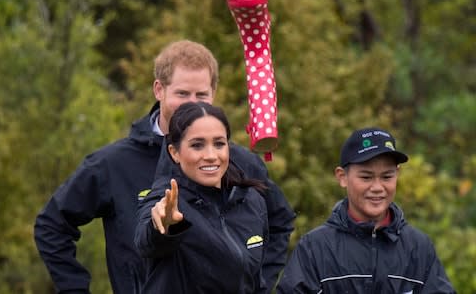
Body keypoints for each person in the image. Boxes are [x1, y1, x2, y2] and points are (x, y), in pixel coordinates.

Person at [34, 40, 295, 293]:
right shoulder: (112, 164)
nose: (192, 103)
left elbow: (280, 221)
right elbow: (52, 225)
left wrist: (258, 285)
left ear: (213, 94)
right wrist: (74, 289)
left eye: (201, 94)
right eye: (182, 93)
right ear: (159, 89)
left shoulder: (239, 162)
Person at [277, 127, 456, 293]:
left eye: (387, 176)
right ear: (342, 177)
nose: (377, 187)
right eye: (366, 177)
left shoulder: (418, 248)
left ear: (397, 175)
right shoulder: (314, 247)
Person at [135, 101, 269, 293]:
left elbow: (255, 282)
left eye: (219, 144)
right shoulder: (169, 199)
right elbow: (145, 241)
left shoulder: (251, 201)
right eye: (197, 145)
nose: (211, 155)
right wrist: (162, 227)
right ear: (174, 153)